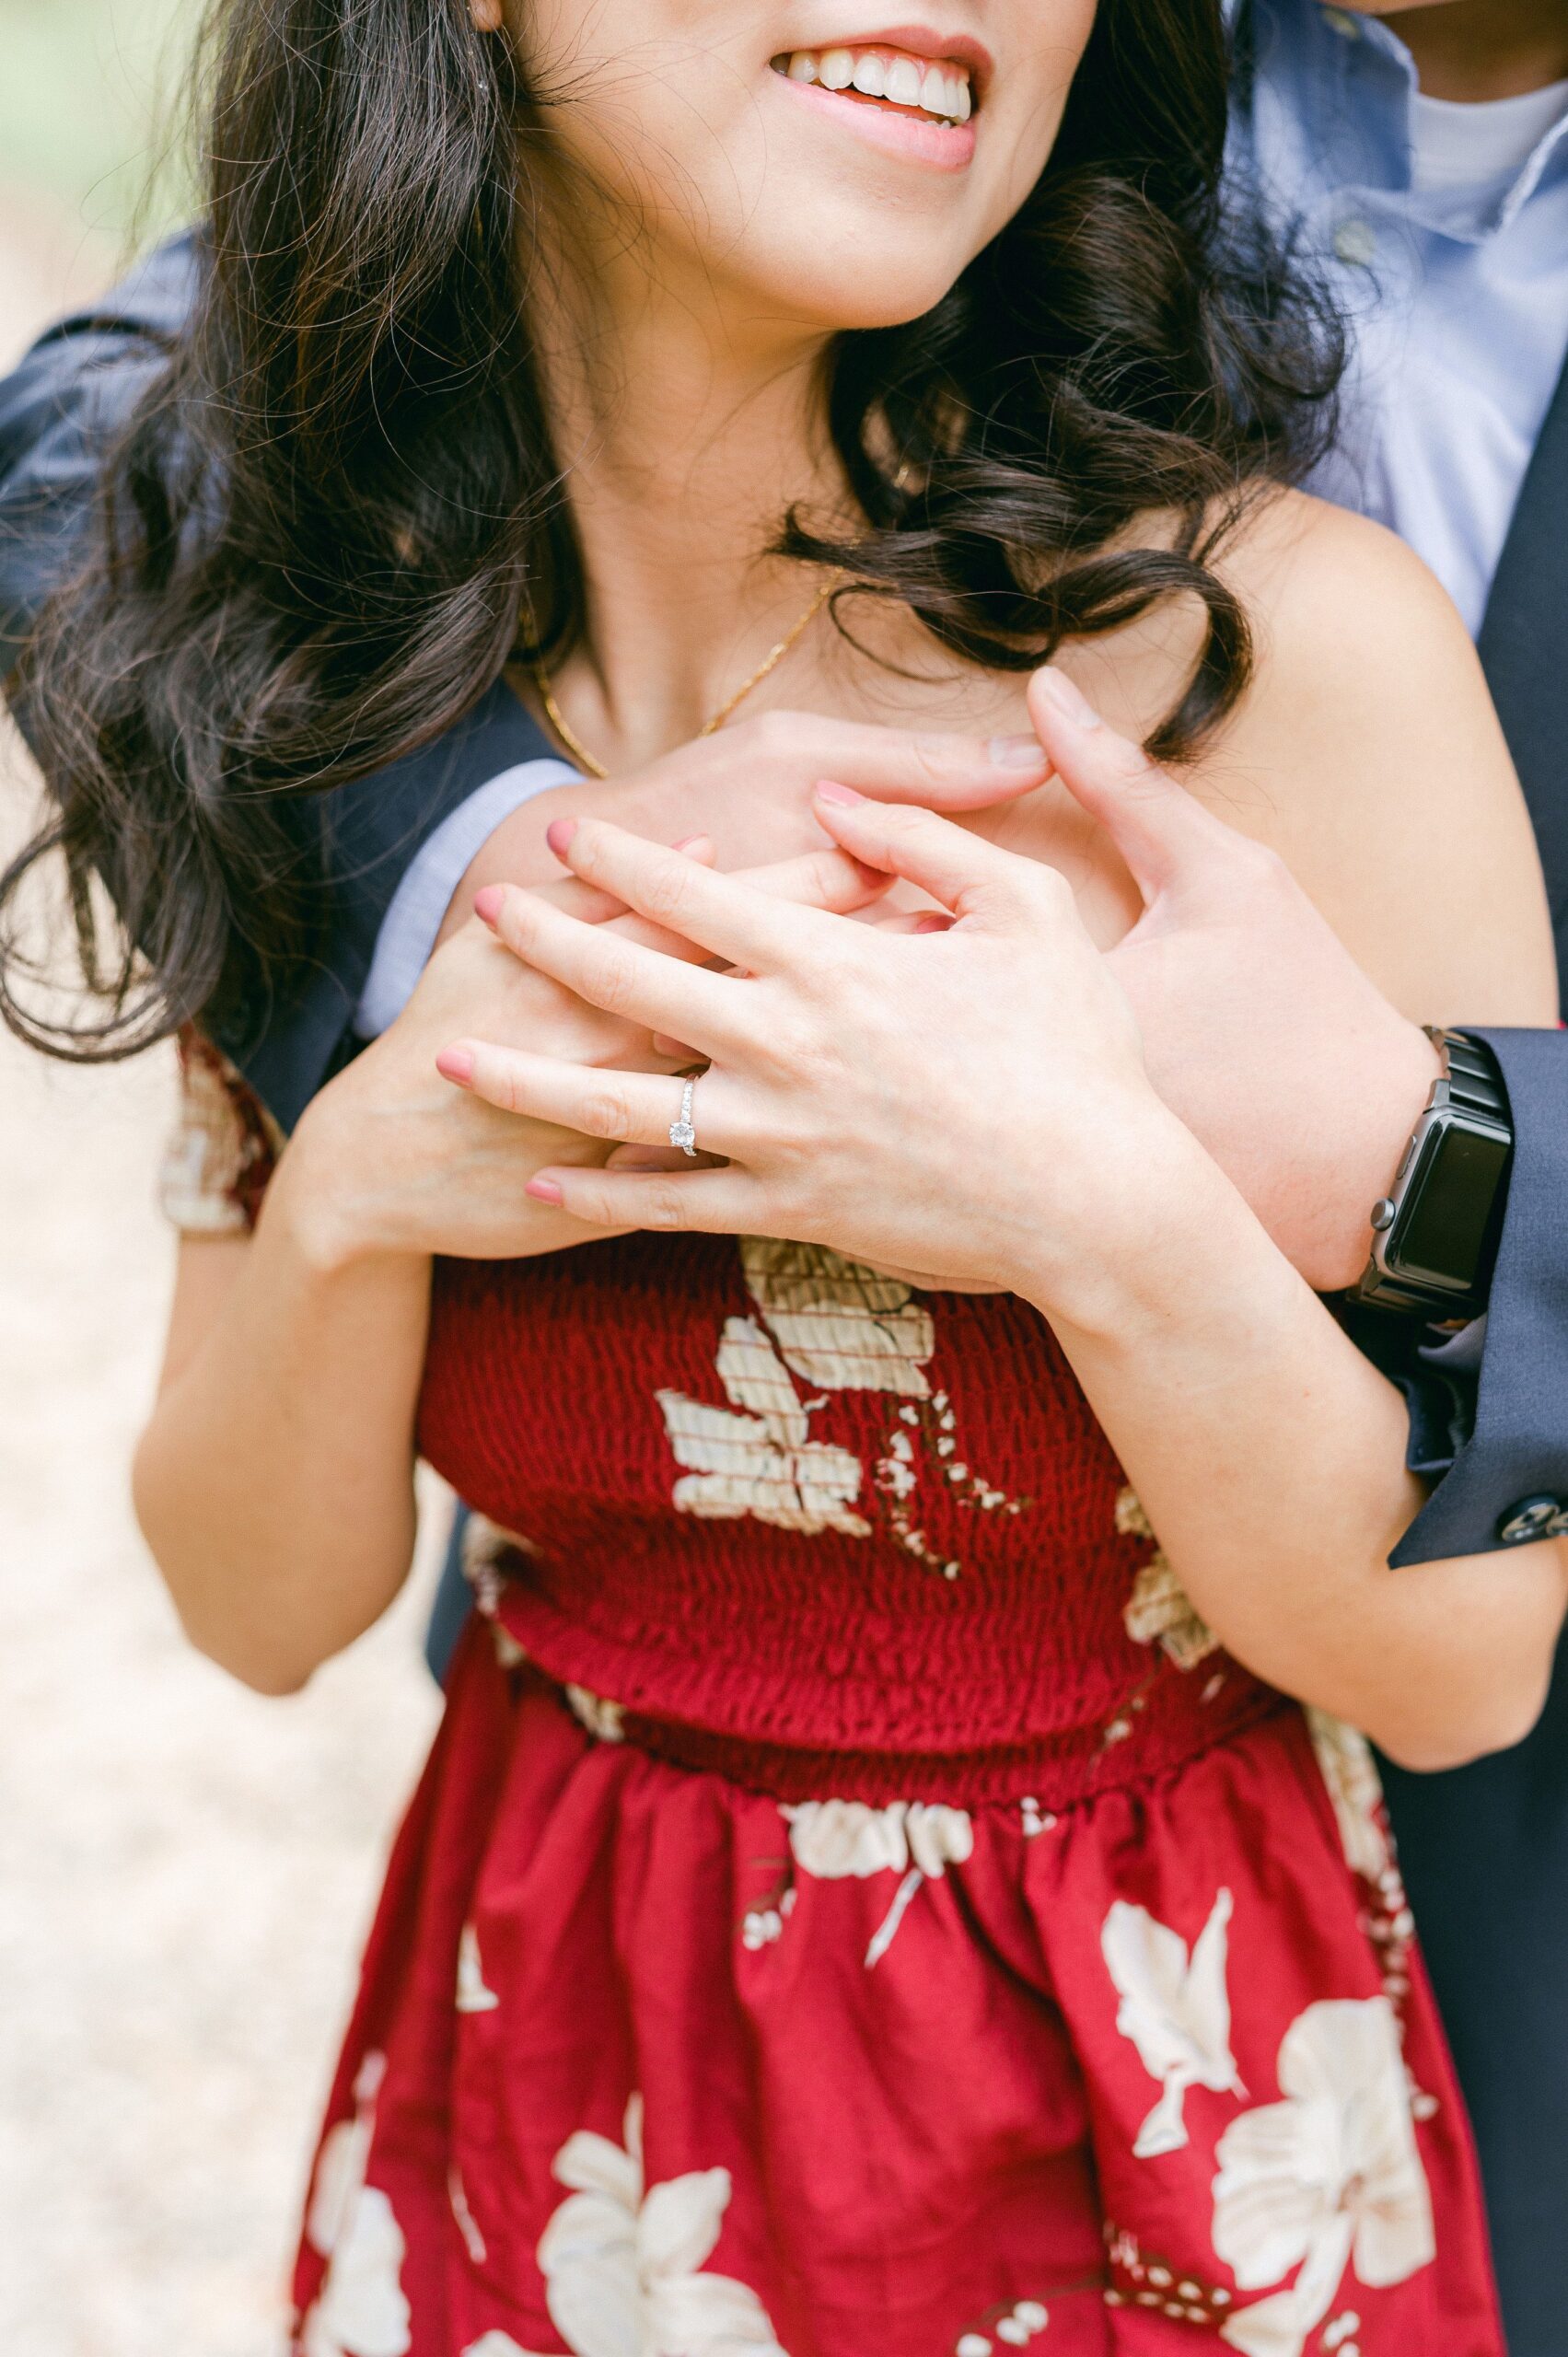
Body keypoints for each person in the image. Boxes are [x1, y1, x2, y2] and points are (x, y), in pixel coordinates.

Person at [2, 3, 1562, 2352]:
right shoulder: (333, 658)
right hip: (553, 2090)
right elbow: (258, 1598)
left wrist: (1087, 1199)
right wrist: (356, 1181)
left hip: (1139, 2112)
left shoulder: (1269, 656)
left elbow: (1461, 1666)